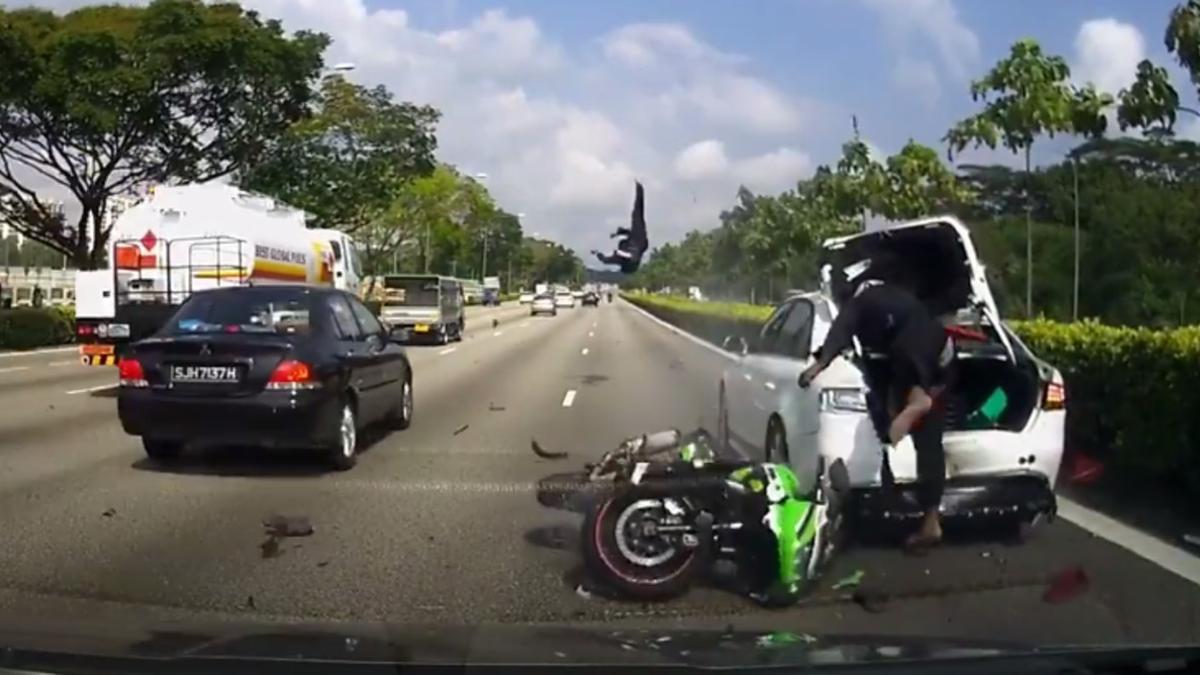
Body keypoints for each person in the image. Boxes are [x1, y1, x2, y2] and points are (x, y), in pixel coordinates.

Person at [798, 253, 954, 550]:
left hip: (909, 352)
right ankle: (931, 521)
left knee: (901, 395)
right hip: (943, 353)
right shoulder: (902, 296)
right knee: (930, 443)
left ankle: (913, 404)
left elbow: (840, 331)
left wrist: (817, 365)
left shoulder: (860, 301)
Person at [592, 181, 649, 274]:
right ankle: (640, 188)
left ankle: (639, 188)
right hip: (639, 241)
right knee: (637, 214)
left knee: (636, 215)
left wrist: (597, 253)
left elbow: (605, 260)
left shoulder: (619, 259)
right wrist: (620, 234)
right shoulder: (630, 256)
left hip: (636, 242)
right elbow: (629, 256)